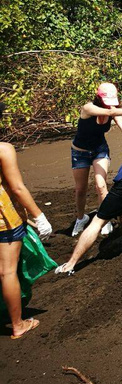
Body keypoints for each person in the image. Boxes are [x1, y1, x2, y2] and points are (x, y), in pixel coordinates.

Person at [0, 102, 52, 339]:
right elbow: (17, 188)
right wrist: (39, 216)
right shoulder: (4, 149)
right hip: (4, 220)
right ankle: (18, 324)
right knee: (7, 272)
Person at [71, 83, 122, 237]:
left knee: (101, 186)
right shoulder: (88, 108)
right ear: (99, 98)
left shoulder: (112, 112)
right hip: (79, 153)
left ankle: (104, 219)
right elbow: (111, 112)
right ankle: (81, 218)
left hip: (99, 150)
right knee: (80, 189)